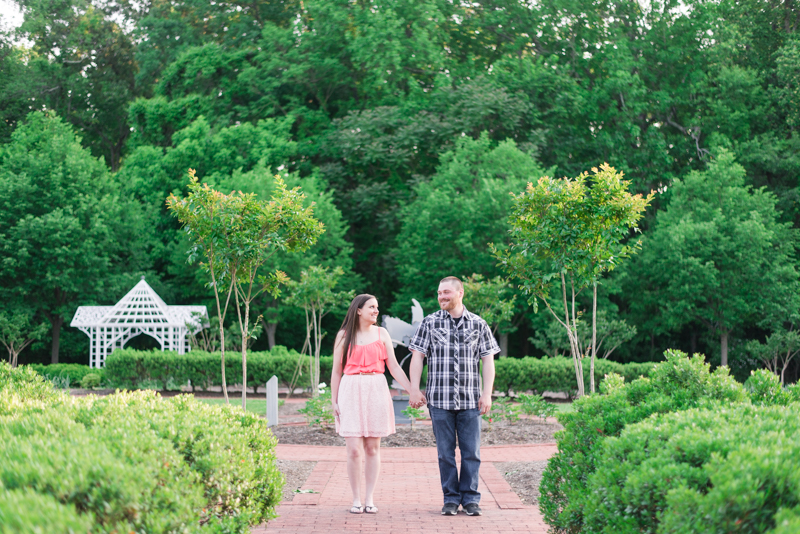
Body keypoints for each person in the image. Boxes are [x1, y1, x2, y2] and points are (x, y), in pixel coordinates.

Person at [407, 276, 499, 516]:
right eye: (439, 293)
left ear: (461, 293)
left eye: (446, 292)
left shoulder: (479, 324)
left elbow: (488, 361)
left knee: (471, 453)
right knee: (445, 454)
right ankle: (450, 498)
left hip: (470, 401)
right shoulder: (429, 323)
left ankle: (470, 500)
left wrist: (487, 394)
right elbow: (417, 356)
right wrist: (414, 389)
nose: (442, 297)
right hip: (439, 401)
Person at [330, 293, 417, 515]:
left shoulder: (382, 333)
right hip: (350, 389)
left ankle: (369, 498)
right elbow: (336, 371)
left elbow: (395, 368)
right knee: (353, 450)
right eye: (371, 307)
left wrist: (412, 390)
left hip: (377, 388)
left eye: (377, 307)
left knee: (372, 447)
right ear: (358, 310)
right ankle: (356, 499)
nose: (376, 311)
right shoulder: (344, 335)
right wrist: (334, 400)